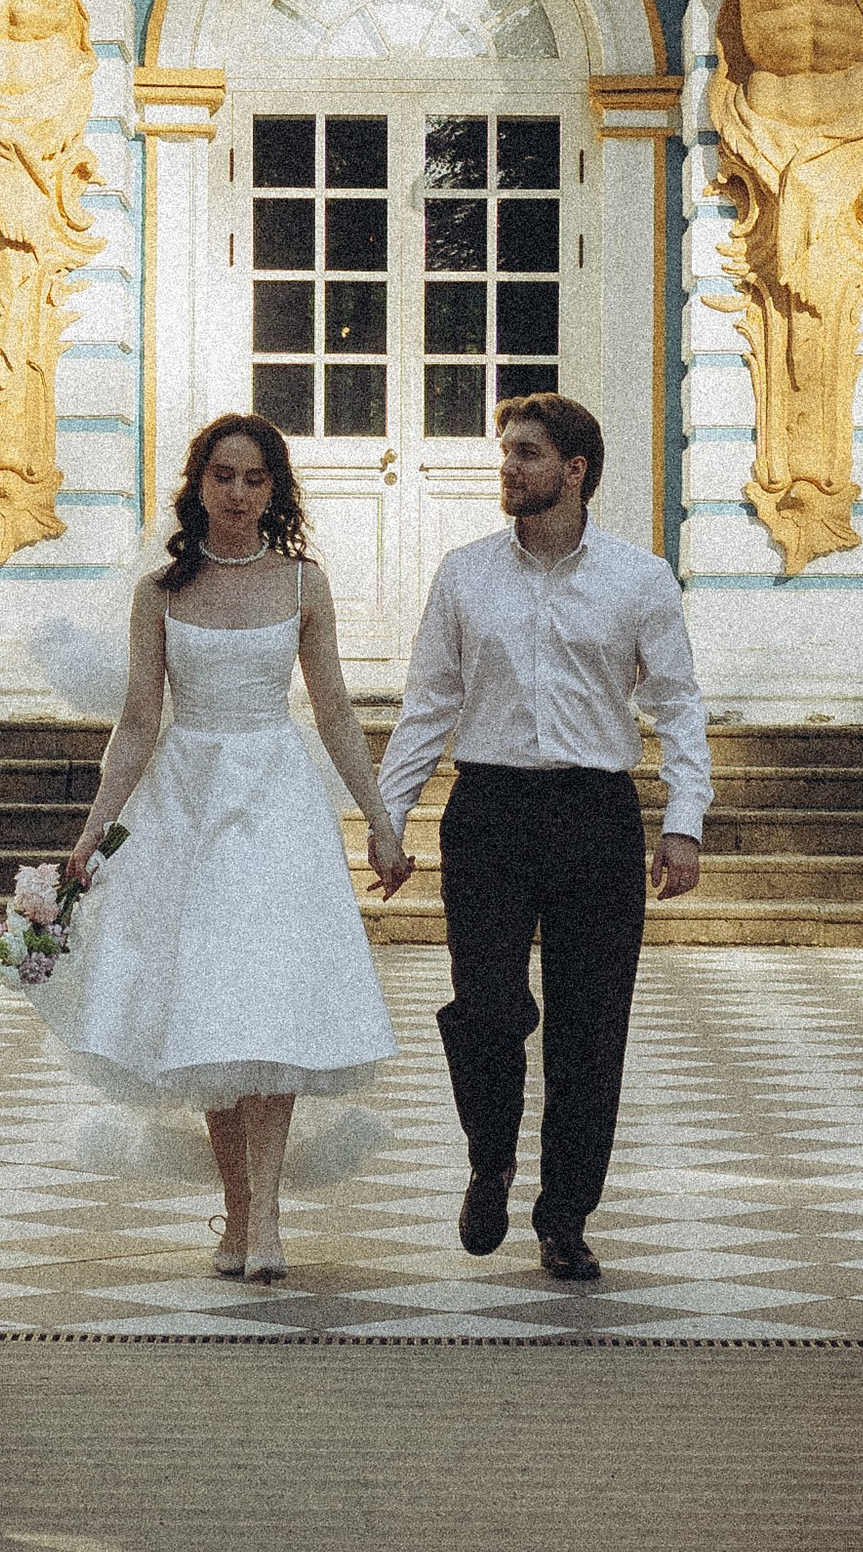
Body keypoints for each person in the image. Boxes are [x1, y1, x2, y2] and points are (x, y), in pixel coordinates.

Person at [57, 417, 415, 1286]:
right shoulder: (160, 593)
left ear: (275, 489)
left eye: (256, 479)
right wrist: (95, 829)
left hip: (275, 803)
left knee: (269, 1002)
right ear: (200, 483)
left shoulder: (303, 584)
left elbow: (335, 712)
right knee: (211, 1007)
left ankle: (268, 1218)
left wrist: (380, 819)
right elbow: (138, 721)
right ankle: (241, 1208)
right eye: (224, 476)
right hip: (186, 802)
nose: (239, 494)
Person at [379, 395, 710, 1285]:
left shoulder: (640, 579)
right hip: (488, 813)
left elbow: (677, 705)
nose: (508, 468)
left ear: (575, 470)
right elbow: (429, 704)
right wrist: (389, 815)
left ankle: (565, 1216)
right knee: (486, 1008)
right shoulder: (464, 575)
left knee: (590, 1030)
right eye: (506, 453)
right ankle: (490, 1160)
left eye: (526, 453)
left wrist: (683, 821)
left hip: (595, 814)